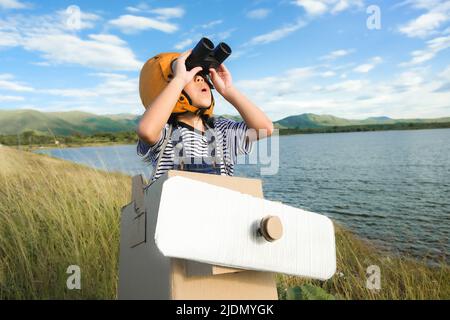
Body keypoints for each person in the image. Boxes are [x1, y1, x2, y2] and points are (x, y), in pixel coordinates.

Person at [137, 49, 273, 183]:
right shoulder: (165, 131)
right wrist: (179, 79)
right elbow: (147, 131)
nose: (200, 78)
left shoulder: (222, 131)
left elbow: (264, 128)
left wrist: (228, 90)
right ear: (168, 86)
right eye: (190, 74)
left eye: (203, 75)